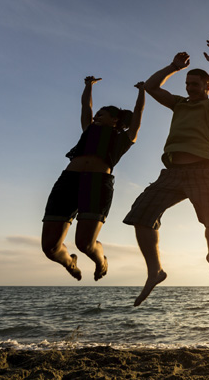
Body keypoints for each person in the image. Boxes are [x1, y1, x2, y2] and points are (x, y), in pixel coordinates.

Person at [124, 40, 209, 307]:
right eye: (187, 84)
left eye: (195, 84)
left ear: (206, 86)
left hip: (202, 170)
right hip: (171, 172)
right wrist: (173, 67)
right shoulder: (179, 104)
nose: (189, 88)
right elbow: (150, 87)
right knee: (141, 216)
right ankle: (155, 271)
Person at [42, 76, 145, 281]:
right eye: (97, 113)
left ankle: (101, 261)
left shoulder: (124, 138)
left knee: (85, 244)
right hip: (68, 181)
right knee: (50, 247)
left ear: (115, 120)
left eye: (102, 114)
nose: (96, 115)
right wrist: (88, 86)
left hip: (97, 185)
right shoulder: (88, 130)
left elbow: (138, 115)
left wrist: (142, 92)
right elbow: (85, 106)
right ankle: (70, 262)